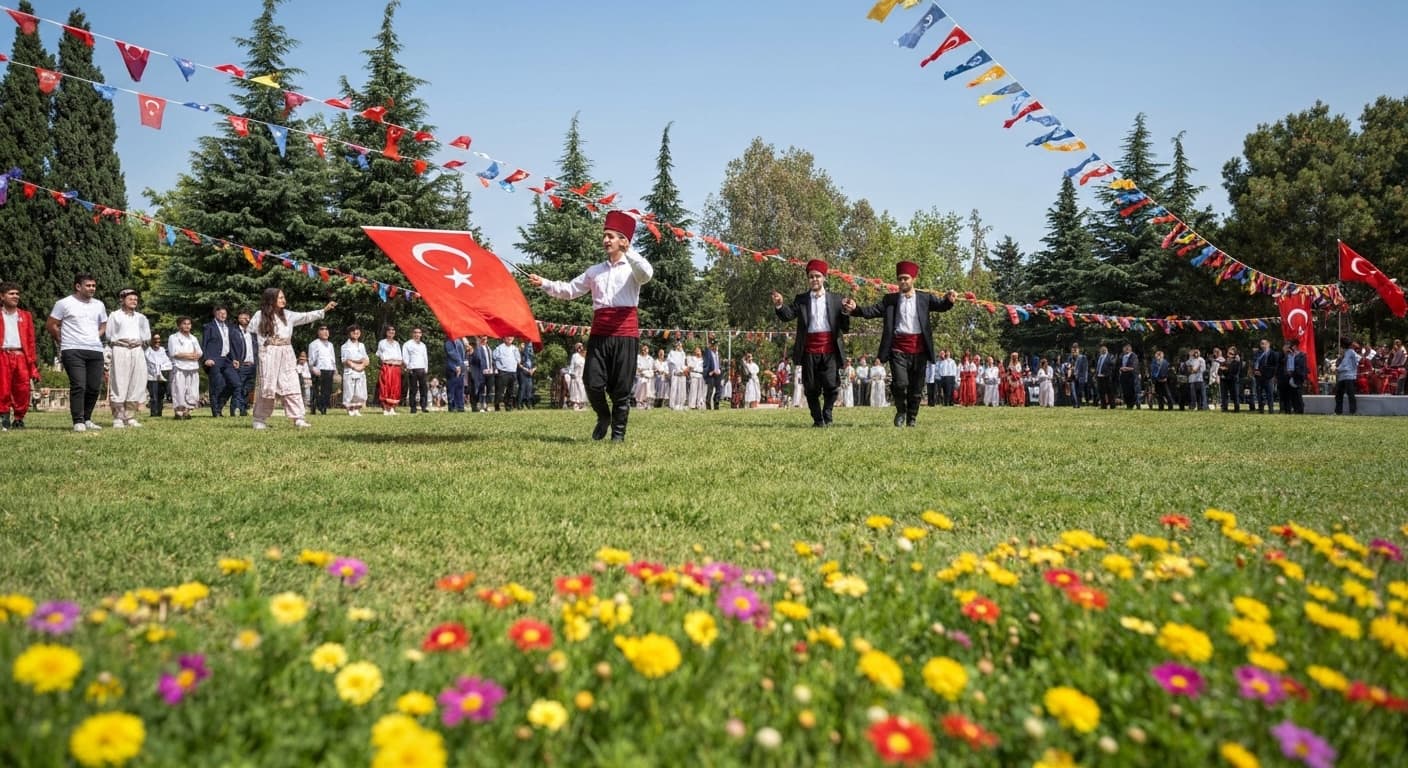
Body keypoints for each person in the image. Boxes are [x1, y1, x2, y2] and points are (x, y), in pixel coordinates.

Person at [530, 211, 653, 440]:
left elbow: (646, 274)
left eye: (611, 236)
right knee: (592, 382)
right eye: (604, 236)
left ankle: (618, 435)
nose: (605, 240)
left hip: (625, 334)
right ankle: (603, 416)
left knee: (621, 388)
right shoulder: (595, 271)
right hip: (599, 335)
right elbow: (570, 290)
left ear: (623, 240)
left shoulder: (633, 268)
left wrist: (630, 252)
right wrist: (544, 283)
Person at [842, 261, 957, 427]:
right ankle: (901, 410)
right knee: (900, 383)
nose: (903, 281)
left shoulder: (924, 298)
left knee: (916, 388)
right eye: (900, 279)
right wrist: (855, 309)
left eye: (906, 278)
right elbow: (871, 311)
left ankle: (912, 418)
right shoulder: (890, 300)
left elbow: (941, 306)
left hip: (919, 349)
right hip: (898, 349)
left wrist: (949, 300)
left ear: (913, 279)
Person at [772, 259, 851, 427]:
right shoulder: (801, 299)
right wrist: (779, 305)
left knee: (831, 385)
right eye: (811, 277)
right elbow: (788, 315)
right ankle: (817, 420)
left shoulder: (836, 299)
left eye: (817, 276)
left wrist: (846, 312)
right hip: (809, 349)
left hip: (830, 349)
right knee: (811, 388)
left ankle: (827, 413)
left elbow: (845, 327)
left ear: (824, 278)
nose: (814, 279)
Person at [246, 288, 334, 429]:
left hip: (287, 353)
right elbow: (249, 335)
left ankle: (298, 418)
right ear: (271, 299)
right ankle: (259, 419)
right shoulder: (260, 315)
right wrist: (256, 353)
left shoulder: (288, 315)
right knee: (268, 386)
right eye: (280, 297)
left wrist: (323, 310)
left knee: (291, 384)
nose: (283, 300)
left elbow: (305, 316)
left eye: (283, 297)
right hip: (268, 354)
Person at [46, 274, 109, 432]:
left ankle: (87, 418)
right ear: (78, 286)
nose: (92, 288)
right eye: (88, 285)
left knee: (94, 387)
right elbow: (51, 324)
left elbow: (104, 324)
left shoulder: (99, 305)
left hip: (95, 349)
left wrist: (96, 336)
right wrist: (61, 339)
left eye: (93, 286)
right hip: (72, 349)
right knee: (79, 385)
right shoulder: (64, 303)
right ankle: (78, 420)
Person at [104, 288, 152, 428]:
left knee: (136, 382)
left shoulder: (141, 318)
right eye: (130, 299)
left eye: (136, 299)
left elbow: (147, 336)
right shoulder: (115, 315)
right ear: (122, 300)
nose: (134, 301)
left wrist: (138, 343)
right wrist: (121, 342)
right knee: (119, 382)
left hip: (137, 350)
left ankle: (130, 416)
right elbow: (109, 335)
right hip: (120, 349)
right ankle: (118, 417)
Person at [0, 282, 41, 431]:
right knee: (3, 388)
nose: (15, 296)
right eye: (11, 293)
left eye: (17, 294)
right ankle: (3, 417)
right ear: (2, 296)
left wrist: (32, 363)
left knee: (22, 389)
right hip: (3, 354)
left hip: (21, 356)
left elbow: (30, 340)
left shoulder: (25, 316)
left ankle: (19, 418)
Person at [201, 306, 245, 418]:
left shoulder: (228, 327)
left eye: (224, 313)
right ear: (215, 314)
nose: (223, 315)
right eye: (220, 313)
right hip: (214, 360)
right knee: (217, 386)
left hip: (227, 360)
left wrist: (234, 358)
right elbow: (204, 344)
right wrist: (206, 359)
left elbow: (230, 344)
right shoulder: (209, 327)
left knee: (236, 384)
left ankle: (220, 406)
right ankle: (216, 412)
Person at [166, 317, 202, 420]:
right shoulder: (173, 337)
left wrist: (187, 355)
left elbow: (199, 353)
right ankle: (179, 412)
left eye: (189, 324)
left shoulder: (193, 338)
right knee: (179, 389)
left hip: (193, 367)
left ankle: (187, 411)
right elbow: (174, 353)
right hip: (179, 367)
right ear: (179, 325)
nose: (187, 326)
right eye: (184, 324)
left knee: (192, 390)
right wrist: (190, 355)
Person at [307, 324, 337, 416]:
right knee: (317, 391)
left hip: (329, 369)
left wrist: (335, 369)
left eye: (327, 329)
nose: (325, 331)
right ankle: (314, 407)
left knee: (327, 391)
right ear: (318, 332)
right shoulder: (313, 344)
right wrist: (313, 368)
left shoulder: (330, 345)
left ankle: (324, 408)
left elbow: (332, 358)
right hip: (319, 369)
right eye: (322, 329)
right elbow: (311, 359)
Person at [341, 324, 370, 416]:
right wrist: (356, 364)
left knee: (360, 391)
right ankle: (350, 409)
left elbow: (366, 359)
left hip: (361, 371)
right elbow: (345, 360)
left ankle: (357, 409)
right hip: (350, 371)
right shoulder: (345, 346)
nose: (355, 333)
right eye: (353, 331)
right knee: (349, 391)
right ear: (349, 333)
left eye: (357, 331)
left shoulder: (362, 345)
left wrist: (362, 365)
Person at [234, 310, 258, 417]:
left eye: (247, 317)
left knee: (248, 388)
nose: (245, 319)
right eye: (242, 317)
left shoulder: (253, 333)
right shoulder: (235, 332)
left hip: (252, 365)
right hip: (241, 364)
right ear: (238, 319)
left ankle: (243, 409)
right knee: (239, 387)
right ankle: (236, 409)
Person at [376, 325, 403, 415]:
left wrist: (397, 362)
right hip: (387, 367)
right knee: (385, 387)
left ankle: (392, 408)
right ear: (386, 332)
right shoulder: (382, 343)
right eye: (389, 330)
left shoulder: (396, 343)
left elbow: (400, 357)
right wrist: (387, 361)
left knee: (395, 388)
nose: (391, 332)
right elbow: (380, 355)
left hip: (396, 367)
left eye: (393, 330)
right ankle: (385, 408)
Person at [145, 331, 173, 418]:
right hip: (151, 377)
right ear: (151, 340)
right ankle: (154, 413)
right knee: (153, 396)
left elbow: (168, 362)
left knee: (161, 396)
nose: (157, 341)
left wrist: (163, 368)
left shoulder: (163, 350)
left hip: (163, 376)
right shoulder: (147, 352)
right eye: (155, 339)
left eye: (159, 339)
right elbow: (150, 363)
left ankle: (159, 413)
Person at [403, 327, 430, 414]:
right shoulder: (407, 344)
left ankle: (423, 406)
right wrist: (408, 367)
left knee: (424, 389)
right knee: (413, 389)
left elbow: (425, 357)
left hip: (422, 368)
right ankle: (413, 407)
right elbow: (405, 356)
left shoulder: (423, 345)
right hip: (413, 369)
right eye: (415, 332)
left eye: (419, 333)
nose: (417, 334)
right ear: (412, 334)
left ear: (421, 334)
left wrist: (426, 368)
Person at [492, 335, 520, 411]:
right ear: (504, 338)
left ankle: (508, 405)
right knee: (500, 390)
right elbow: (493, 358)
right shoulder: (499, 348)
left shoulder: (515, 348)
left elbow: (518, 360)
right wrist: (496, 367)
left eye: (511, 337)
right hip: (503, 371)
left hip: (513, 371)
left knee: (511, 390)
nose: (510, 338)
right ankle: (497, 405)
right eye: (508, 337)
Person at [1279, 339, 1308, 415]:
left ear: (1295, 346)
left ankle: (1299, 411)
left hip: (1297, 377)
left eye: (1290, 346)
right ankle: (1288, 411)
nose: (1288, 347)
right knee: (1288, 396)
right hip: (1287, 377)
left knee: (1297, 395)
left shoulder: (1301, 355)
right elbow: (1282, 363)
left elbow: (1303, 367)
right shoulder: (1287, 355)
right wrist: (1285, 353)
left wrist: (1302, 377)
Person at [1251, 338, 1279, 414]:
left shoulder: (1273, 354)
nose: (1262, 345)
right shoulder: (1258, 353)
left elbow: (1274, 367)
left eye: (1264, 344)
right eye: (1261, 344)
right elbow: (1254, 362)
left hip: (1268, 377)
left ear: (1268, 344)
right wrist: (1255, 370)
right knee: (1259, 393)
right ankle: (1261, 409)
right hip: (1258, 377)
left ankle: (1271, 410)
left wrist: (1263, 372)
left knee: (1269, 394)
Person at [1334, 336, 1360, 416]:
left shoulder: (1349, 352)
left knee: (1342, 394)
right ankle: (1349, 411)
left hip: (1347, 375)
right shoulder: (1350, 352)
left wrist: (1338, 369)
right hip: (1347, 376)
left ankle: (1344, 411)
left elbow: (1345, 363)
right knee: (1346, 394)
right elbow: (1357, 361)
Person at [444, 333, 467, 412]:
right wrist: (457, 366)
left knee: (460, 388)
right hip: (452, 368)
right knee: (452, 388)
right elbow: (452, 355)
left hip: (460, 367)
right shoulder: (449, 342)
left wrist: (462, 366)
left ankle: (460, 406)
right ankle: (452, 406)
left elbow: (463, 355)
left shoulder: (459, 341)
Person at [470, 336, 493, 412]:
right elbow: (477, 359)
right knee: (481, 389)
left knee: (489, 389)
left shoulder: (489, 348)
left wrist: (493, 368)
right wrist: (477, 346)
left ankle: (487, 405)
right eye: (482, 338)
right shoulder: (478, 348)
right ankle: (481, 406)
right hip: (481, 372)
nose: (484, 340)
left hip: (490, 372)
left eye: (485, 338)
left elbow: (491, 359)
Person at [666, 341, 689, 411]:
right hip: (675, 373)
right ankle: (673, 404)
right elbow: (670, 362)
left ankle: (681, 404)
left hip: (682, 373)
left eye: (680, 345)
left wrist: (684, 369)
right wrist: (676, 369)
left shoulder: (683, 353)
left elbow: (684, 363)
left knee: (682, 389)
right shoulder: (672, 352)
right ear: (676, 346)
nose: (679, 346)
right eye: (678, 345)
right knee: (674, 389)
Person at [1220, 346, 1244, 412]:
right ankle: (1224, 408)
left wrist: (1226, 369)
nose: (1229, 355)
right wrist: (1222, 370)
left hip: (1233, 380)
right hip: (1224, 379)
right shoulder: (1224, 360)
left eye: (1231, 354)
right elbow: (1220, 370)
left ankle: (1236, 409)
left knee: (1235, 395)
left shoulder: (1237, 361)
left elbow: (1235, 371)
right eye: (1229, 353)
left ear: (1234, 355)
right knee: (1224, 394)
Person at [1093, 344, 1116, 409]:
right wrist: (1096, 374)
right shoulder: (1099, 357)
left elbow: (1112, 365)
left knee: (1109, 392)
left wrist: (1107, 373)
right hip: (1099, 376)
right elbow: (1097, 366)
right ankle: (1103, 405)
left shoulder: (1110, 356)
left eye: (1104, 349)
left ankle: (1112, 405)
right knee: (1101, 391)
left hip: (1107, 376)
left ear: (1106, 350)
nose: (1102, 350)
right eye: (1101, 349)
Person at [1117, 343, 1139, 410]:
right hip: (1123, 376)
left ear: (1130, 349)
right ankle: (1128, 404)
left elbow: (1134, 367)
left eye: (1127, 348)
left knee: (1132, 391)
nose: (1126, 350)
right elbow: (1119, 365)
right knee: (1125, 390)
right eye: (1124, 348)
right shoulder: (1122, 356)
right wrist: (1120, 368)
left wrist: (1125, 368)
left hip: (1131, 376)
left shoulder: (1134, 356)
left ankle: (1133, 404)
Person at [567, 342, 587, 410]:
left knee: (582, 390)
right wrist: (571, 373)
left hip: (582, 375)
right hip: (576, 375)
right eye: (579, 347)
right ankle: (576, 404)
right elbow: (572, 365)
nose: (581, 348)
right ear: (577, 348)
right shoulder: (574, 356)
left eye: (581, 346)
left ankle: (582, 404)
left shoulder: (584, 356)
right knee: (575, 390)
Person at [703, 340, 723, 410]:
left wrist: (719, 369)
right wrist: (709, 372)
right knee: (710, 390)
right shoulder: (708, 353)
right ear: (712, 346)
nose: (716, 347)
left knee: (718, 390)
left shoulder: (718, 354)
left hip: (718, 374)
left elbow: (719, 363)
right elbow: (706, 364)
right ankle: (708, 405)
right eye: (715, 345)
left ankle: (716, 404)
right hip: (711, 374)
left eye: (717, 345)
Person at [633, 343, 654, 408]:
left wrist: (648, 373)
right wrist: (642, 371)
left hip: (648, 376)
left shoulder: (650, 358)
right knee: (640, 389)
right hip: (641, 376)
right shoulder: (638, 357)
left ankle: (646, 403)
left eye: (646, 349)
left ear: (648, 350)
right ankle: (639, 403)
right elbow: (638, 367)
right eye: (643, 349)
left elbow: (651, 368)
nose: (644, 351)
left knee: (648, 390)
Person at [517, 340, 536, 409]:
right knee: (522, 388)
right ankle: (519, 404)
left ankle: (528, 404)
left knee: (529, 389)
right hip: (522, 373)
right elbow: (519, 364)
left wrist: (533, 370)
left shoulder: (531, 355)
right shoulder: (520, 354)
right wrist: (527, 370)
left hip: (530, 373)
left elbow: (535, 364)